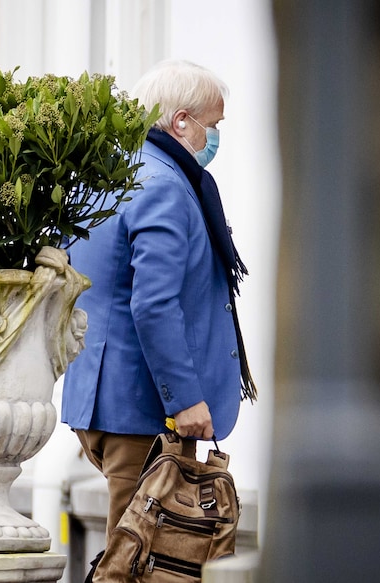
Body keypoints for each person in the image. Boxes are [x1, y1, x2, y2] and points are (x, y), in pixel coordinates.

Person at [61, 59, 257, 542]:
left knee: (134, 555)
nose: (216, 138)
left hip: (103, 403)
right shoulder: (165, 186)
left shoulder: (111, 174)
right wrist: (185, 399)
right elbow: (153, 305)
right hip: (143, 413)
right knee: (138, 564)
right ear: (182, 121)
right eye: (213, 125)